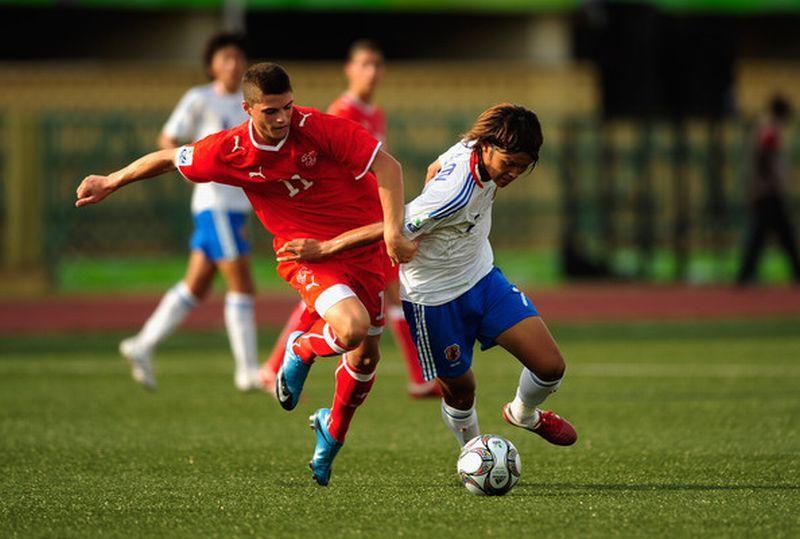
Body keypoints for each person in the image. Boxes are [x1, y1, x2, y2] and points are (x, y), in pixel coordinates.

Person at [75, 63, 416, 486]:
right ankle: (302, 349)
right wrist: (111, 180)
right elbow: (167, 159)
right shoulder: (228, 149)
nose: (282, 119)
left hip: (362, 250)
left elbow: (389, 168)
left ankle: (331, 435)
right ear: (248, 109)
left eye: (287, 107)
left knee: (365, 357)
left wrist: (390, 231)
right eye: (271, 111)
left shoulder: (318, 127)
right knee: (352, 329)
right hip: (306, 256)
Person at [277, 104, 577, 449]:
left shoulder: (470, 146)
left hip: (482, 279)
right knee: (462, 391)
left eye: (522, 168)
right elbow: (391, 226)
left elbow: (435, 167)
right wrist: (324, 249)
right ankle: (474, 452)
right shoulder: (452, 196)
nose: (512, 174)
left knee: (550, 366)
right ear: (487, 147)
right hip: (432, 299)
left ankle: (523, 413)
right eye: (508, 164)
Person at [260, 39, 438, 398]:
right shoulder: (342, 111)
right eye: (365, 64)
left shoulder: (375, 113)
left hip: (372, 215)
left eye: (377, 64)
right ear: (349, 69)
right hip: (346, 219)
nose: (372, 72)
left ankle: (420, 378)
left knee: (383, 292)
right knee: (349, 293)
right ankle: (276, 365)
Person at [117, 33, 261, 392]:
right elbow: (167, 139)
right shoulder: (200, 98)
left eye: (238, 56)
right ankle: (247, 371)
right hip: (215, 204)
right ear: (212, 64)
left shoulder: (250, 103)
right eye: (225, 57)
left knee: (196, 285)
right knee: (242, 284)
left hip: (235, 207)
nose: (233, 63)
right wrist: (190, 167)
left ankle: (141, 345)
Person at [736, 94, 800, 285]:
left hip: (763, 189)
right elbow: (764, 157)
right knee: (775, 232)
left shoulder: (763, 126)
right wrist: (770, 181)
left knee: (771, 232)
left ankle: (746, 275)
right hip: (767, 191)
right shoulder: (769, 129)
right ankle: (745, 276)